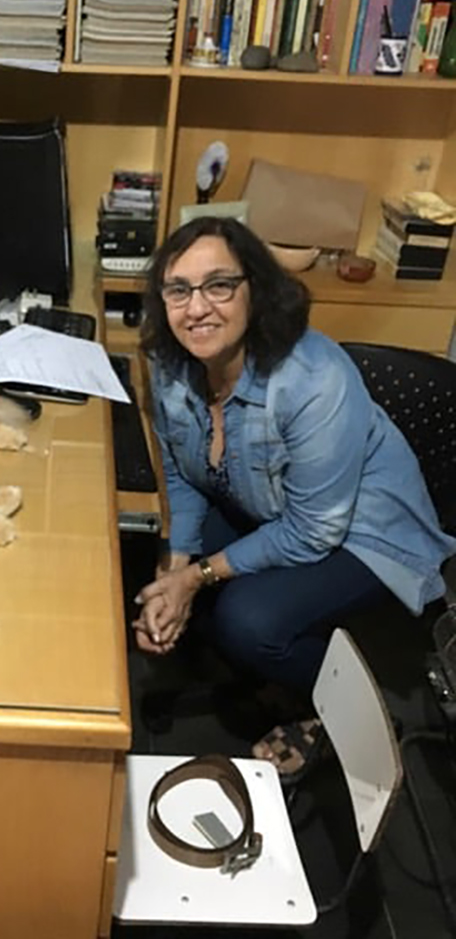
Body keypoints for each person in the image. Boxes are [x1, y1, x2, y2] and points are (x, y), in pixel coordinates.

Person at [133, 216, 456, 773]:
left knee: (247, 621)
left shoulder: (313, 379)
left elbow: (314, 530)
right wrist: (177, 564)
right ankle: (270, 664)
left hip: (363, 529)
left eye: (219, 285)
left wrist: (196, 577)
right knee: (167, 568)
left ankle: (348, 707)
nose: (197, 307)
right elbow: (183, 473)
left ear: (255, 289)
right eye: (178, 290)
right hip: (271, 505)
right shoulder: (169, 364)